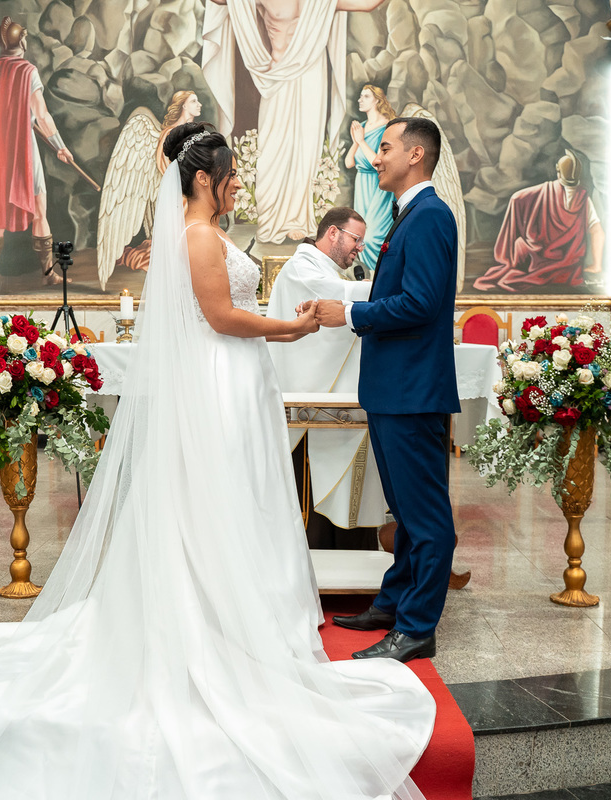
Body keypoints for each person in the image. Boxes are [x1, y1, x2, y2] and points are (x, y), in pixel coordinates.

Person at [0, 122, 434, 800]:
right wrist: (288, 328)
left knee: (229, 502)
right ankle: (212, 628)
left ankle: (236, 619)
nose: (239, 182)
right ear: (205, 178)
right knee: (210, 502)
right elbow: (221, 317)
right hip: (220, 376)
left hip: (233, 379)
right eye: (232, 173)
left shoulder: (202, 231)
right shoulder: (198, 236)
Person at [313, 117, 460, 663]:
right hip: (395, 388)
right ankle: (395, 603)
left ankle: (418, 627)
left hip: (412, 389)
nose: (376, 157)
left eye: (386, 147)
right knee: (404, 509)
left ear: (416, 155)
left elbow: (419, 304)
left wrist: (348, 312)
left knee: (425, 516)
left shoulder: (429, 216)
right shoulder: (411, 214)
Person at [201, 0, 384, 242]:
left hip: (311, 73)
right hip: (275, 78)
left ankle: (298, 218)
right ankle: (271, 218)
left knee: (305, 150)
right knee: (272, 148)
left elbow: (366, 4)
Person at [266, 207, 388, 537]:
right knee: (315, 490)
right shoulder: (301, 268)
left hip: (338, 401)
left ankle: (351, 556)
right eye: (356, 239)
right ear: (332, 233)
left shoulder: (327, 271)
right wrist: (385, 290)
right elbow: (329, 298)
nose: (360, 247)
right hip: (310, 399)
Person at [0, 16, 75, 287]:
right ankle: (48, 274)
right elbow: (42, 114)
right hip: (21, 150)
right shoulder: (27, 71)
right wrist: (60, 147)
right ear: (21, 41)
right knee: (40, 208)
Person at [472, 149, 604, 291]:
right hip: (569, 269)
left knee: (520, 246)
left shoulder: (545, 191)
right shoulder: (584, 198)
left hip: (537, 260)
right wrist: (597, 265)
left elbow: (518, 196)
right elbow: (597, 231)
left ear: (558, 172)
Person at [345, 85, 396, 271]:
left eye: (365, 96)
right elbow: (350, 162)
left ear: (377, 100)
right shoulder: (363, 127)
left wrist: (361, 141)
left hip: (379, 187)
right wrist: (355, 142)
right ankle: (371, 279)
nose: (360, 99)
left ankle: (383, 274)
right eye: (360, 96)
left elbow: (377, 162)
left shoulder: (388, 127)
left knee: (374, 236)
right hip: (362, 186)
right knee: (362, 236)